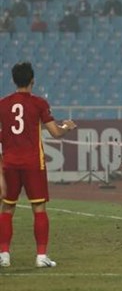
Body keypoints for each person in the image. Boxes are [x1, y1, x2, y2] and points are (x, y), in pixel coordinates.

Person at [0, 62, 77, 268]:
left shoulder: (3, 104)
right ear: (32, 80)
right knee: (39, 207)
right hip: (33, 163)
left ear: (14, 80)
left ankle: (4, 255)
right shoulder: (39, 103)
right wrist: (66, 127)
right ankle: (41, 256)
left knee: (7, 208)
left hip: (9, 163)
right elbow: (55, 132)